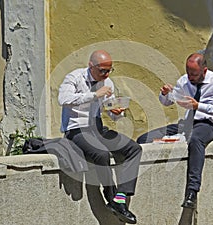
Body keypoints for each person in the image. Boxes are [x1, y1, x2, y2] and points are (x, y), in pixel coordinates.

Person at [137, 53, 213, 209]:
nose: (190, 77)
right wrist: (165, 94)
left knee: (196, 140)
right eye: (188, 73)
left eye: (194, 74)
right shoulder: (184, 80)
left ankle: (192, 191)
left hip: (209, 124)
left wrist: (198, 106)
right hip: (186, 124)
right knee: (144, 138)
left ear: (204, 70)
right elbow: (168, 102)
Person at [58, 50, 142, 224]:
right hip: (77, 129)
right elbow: (63, 99)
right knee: (101, 154)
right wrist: (95, 94)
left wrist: (116, 112)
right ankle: (111, 197)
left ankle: (121, 196)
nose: (106, 74)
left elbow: (110, 112)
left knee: (134, 149)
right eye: (102, 70)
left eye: (109, 70)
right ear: (91, 66)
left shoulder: (107, 82)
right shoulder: (74, 78)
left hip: (97, 127)